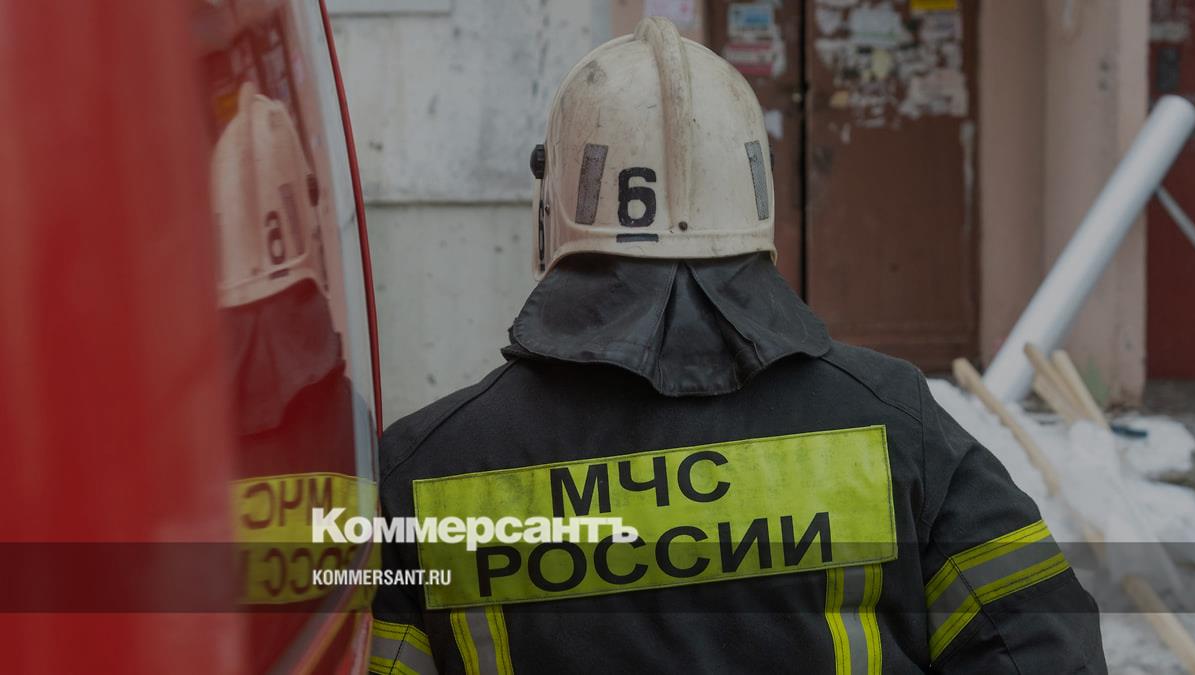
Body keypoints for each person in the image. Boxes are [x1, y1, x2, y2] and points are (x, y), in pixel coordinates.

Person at [371, 17, 1105, 674]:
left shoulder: (423, 469)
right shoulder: (895, 424)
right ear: (755, 194)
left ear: (552, 208)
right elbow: (1039, 645)